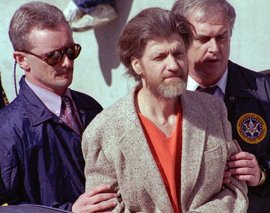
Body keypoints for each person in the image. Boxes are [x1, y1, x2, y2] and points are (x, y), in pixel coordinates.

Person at [82, 7, 248, 213]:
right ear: (137, 65)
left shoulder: (213, 110)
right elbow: (103, 208)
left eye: (178, 53)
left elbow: (235, 188)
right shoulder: (103, 131)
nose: (173, 65)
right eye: (160, 57)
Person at [171, 0, 270, 212]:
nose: (214, 48)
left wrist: (263, 173)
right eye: (203, 39)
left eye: (221, 37)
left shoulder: (265, 93)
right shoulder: (166, 99)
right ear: (181, 40)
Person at [0, 2, 117, 212]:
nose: (67, 63)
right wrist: (69, 211)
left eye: (71, 51)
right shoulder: (6, 131)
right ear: (21, 60)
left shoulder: (90, 107)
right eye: (53, 56)